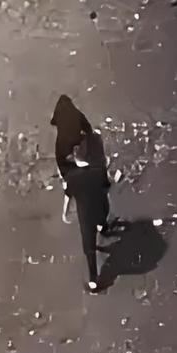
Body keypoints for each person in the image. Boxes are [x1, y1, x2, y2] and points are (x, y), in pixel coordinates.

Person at [52, 95, 117, 292]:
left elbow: (67, 182)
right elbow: (103, 170)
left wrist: (65, 210)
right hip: (95, 189)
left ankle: (94, 276)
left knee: (87, 239)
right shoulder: (92, 138)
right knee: (102, 210)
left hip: (82, 198)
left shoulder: (62, 146)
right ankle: (104, 227)